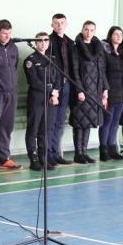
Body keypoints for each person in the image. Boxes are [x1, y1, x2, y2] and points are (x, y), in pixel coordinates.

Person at [69, 21, 108, 164]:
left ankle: (84, 152)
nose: (89, 33)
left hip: (95, 90)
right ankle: (78, 153)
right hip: (82, 90)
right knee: (79, 122)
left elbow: (102, 70)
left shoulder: (98, 48)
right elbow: (74, 71)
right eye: (86, 29)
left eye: (92, 30)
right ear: (82, 30)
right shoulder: (75, 48)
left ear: (94, 32)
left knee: (89, 121)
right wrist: (79, 89)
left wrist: (105, 89)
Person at [0, 19, 21, 169]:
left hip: (11, 93)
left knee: (7, 127)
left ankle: (4, 158)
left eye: (9, 33)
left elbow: (15, 67)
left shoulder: (14, 47)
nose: (7, 36)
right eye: (4, 33)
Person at [23, 32, 60, 171]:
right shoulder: (30, 60)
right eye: (40, 41)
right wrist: (51, 91)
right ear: (35, 43)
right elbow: (34, 82)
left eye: (46, 40)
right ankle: (34, 159)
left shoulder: (52, 59)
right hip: (37, 98)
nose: (43, 43)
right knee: (33, 129)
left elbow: (58, 78)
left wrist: (55, 92)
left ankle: (43, 158)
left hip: (51, 99)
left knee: (46, 130)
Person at [98, 26, 123, 161]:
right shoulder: (105, 52)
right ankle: (103, 151)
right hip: (109, 92)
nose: (119, 36)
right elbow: (102, 72)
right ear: (110, 36)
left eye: (121, 34)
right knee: (106, 122)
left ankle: (112, 149)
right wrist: (104, 91)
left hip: (121, 93)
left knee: (115, 123)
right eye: (116, 34)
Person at [48, 13, 74, 166]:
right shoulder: (48, 41)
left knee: (60, 122)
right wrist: (53, 89)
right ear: (52, 25)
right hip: (54, 88)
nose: (59, 26)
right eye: (56, 23)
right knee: (51, 122)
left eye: (62, 23)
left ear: (66, 24)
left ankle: (56, 153)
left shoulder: (70, 42)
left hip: (67, 85)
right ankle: (48, 154)